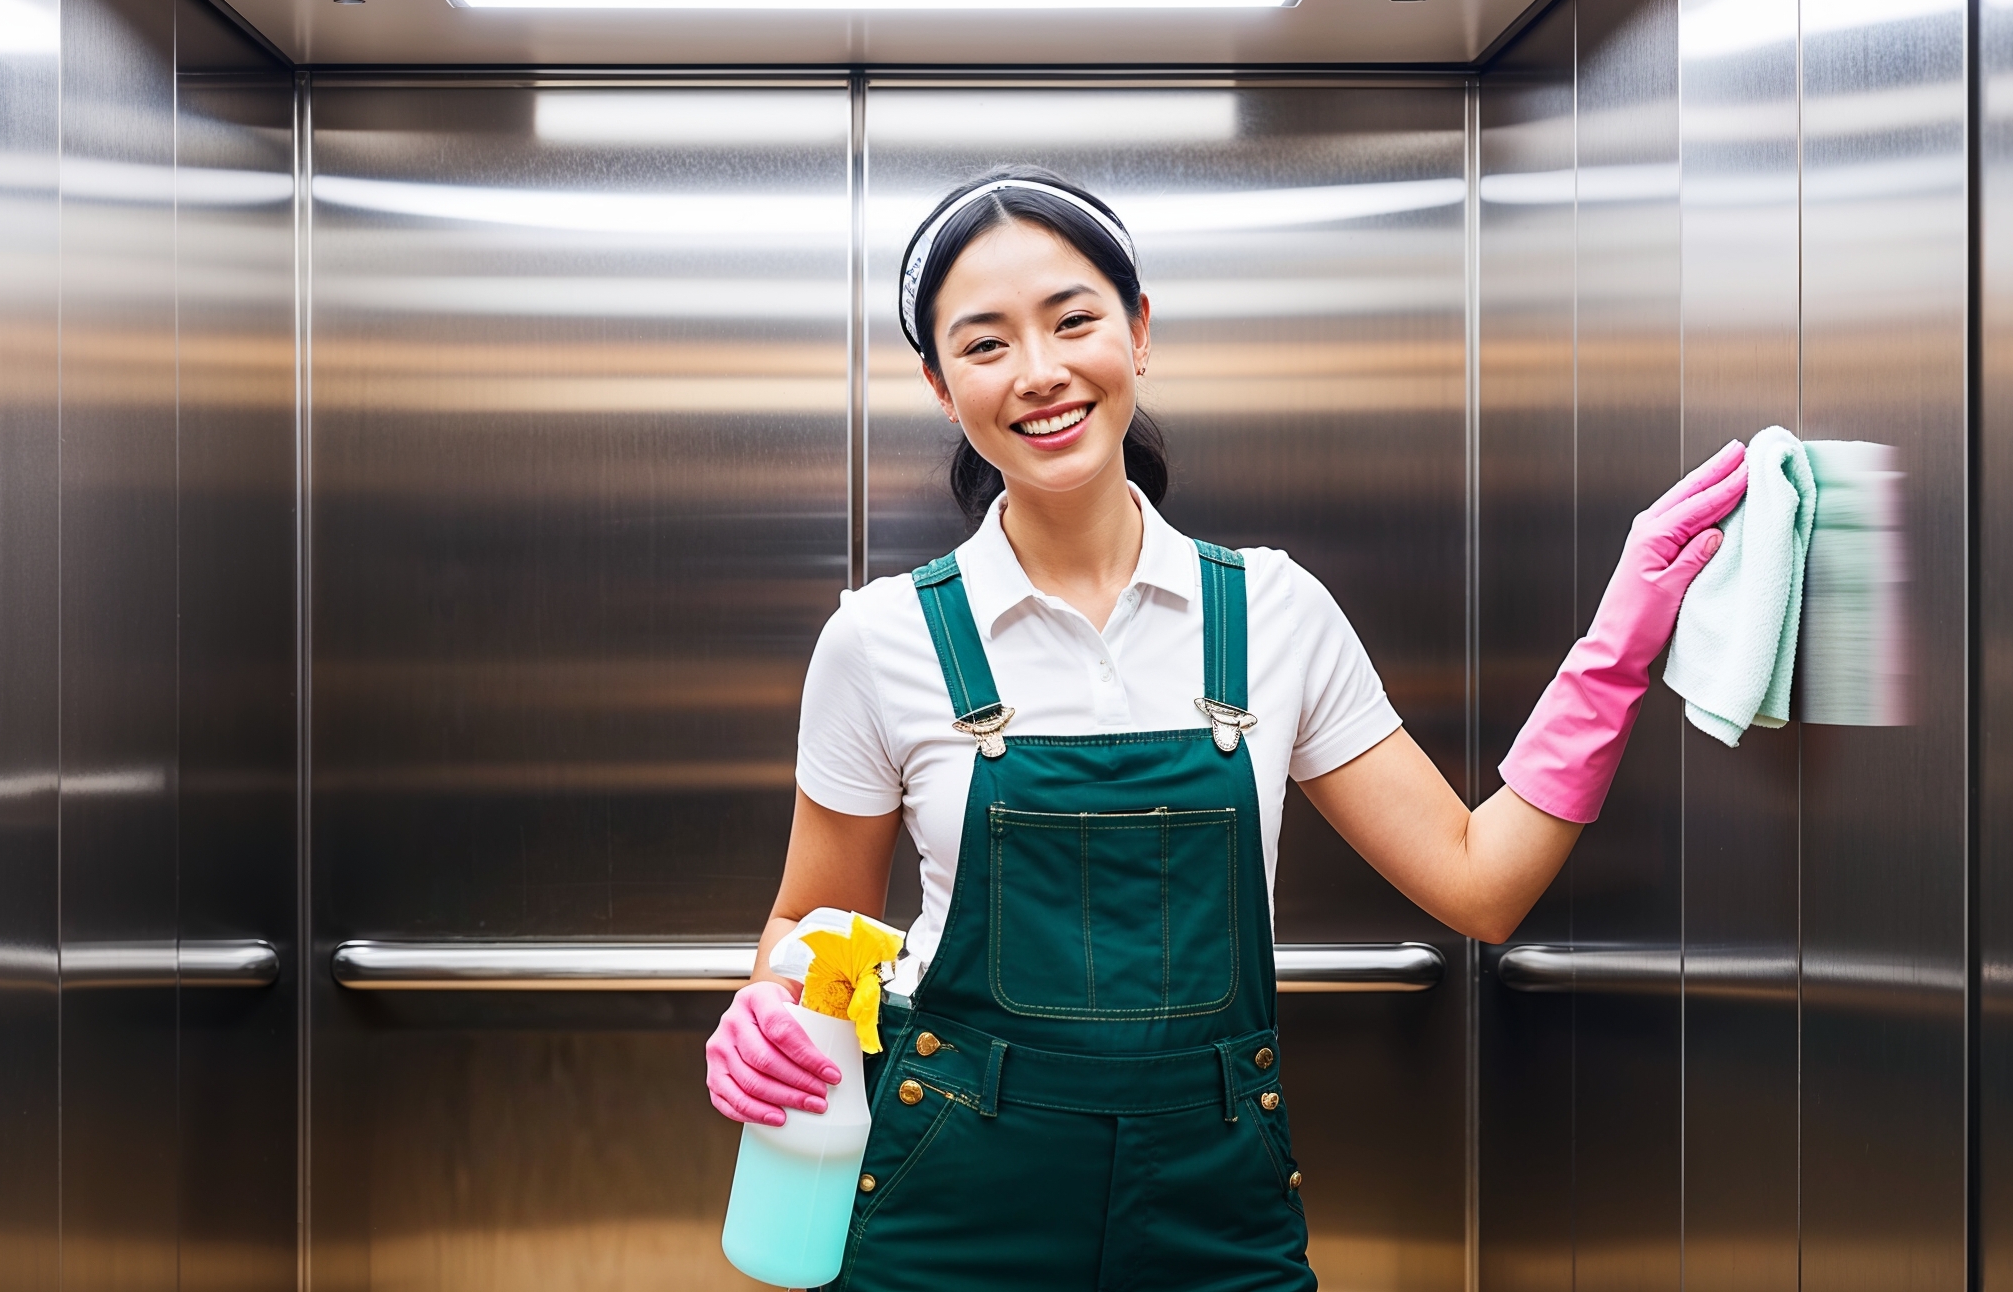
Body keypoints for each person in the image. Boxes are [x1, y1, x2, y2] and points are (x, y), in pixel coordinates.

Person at [704, 166, 1746, 1290]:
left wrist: (1619, 646)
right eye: (986, 343)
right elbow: (809, 927)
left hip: (1214, 1214)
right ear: (940, 386)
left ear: (1138, 333)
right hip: (949, 1211)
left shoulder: (1273, 613)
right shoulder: (878, 639)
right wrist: (763, 1004)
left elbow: (1476, 881)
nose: (1041, 373)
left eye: (1073, 321)